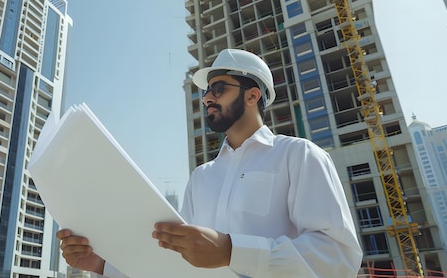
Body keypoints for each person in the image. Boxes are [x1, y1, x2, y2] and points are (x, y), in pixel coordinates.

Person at [57, 48, 363, 277]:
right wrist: (99, 265)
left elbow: (338, 258)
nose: (207, 99)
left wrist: (232, 251)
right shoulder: (201, 178)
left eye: (219, 88)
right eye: (206, 92)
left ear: (252, 95)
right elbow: (174, 264)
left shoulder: (299, 156)